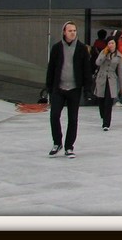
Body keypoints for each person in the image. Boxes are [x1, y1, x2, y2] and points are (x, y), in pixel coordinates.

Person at [45, 20, 90, 158]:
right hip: (58, 87)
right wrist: (49, 87)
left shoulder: (82, 48)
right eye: (70, 30)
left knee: (73, 118)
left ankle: (69, 146)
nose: (73, 33)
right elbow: (51, 68)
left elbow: (86, 69)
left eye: (74, 31)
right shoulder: (57, 48)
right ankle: (57, 142)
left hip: (74, 88)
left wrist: (87, 89)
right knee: (54, 116)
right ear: (64, 32)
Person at [93, 34, 122, 131]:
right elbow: (97, 63)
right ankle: (103, 116)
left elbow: (120, 72)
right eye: (109, 43)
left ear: (115, 44)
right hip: (101, 78)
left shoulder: (119, 56)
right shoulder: (103, 52)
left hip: (111, 80)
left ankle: (106, 123)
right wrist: (104, 53)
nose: (111, 45)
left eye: (112, 43)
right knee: (101, 101)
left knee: (108, 102)